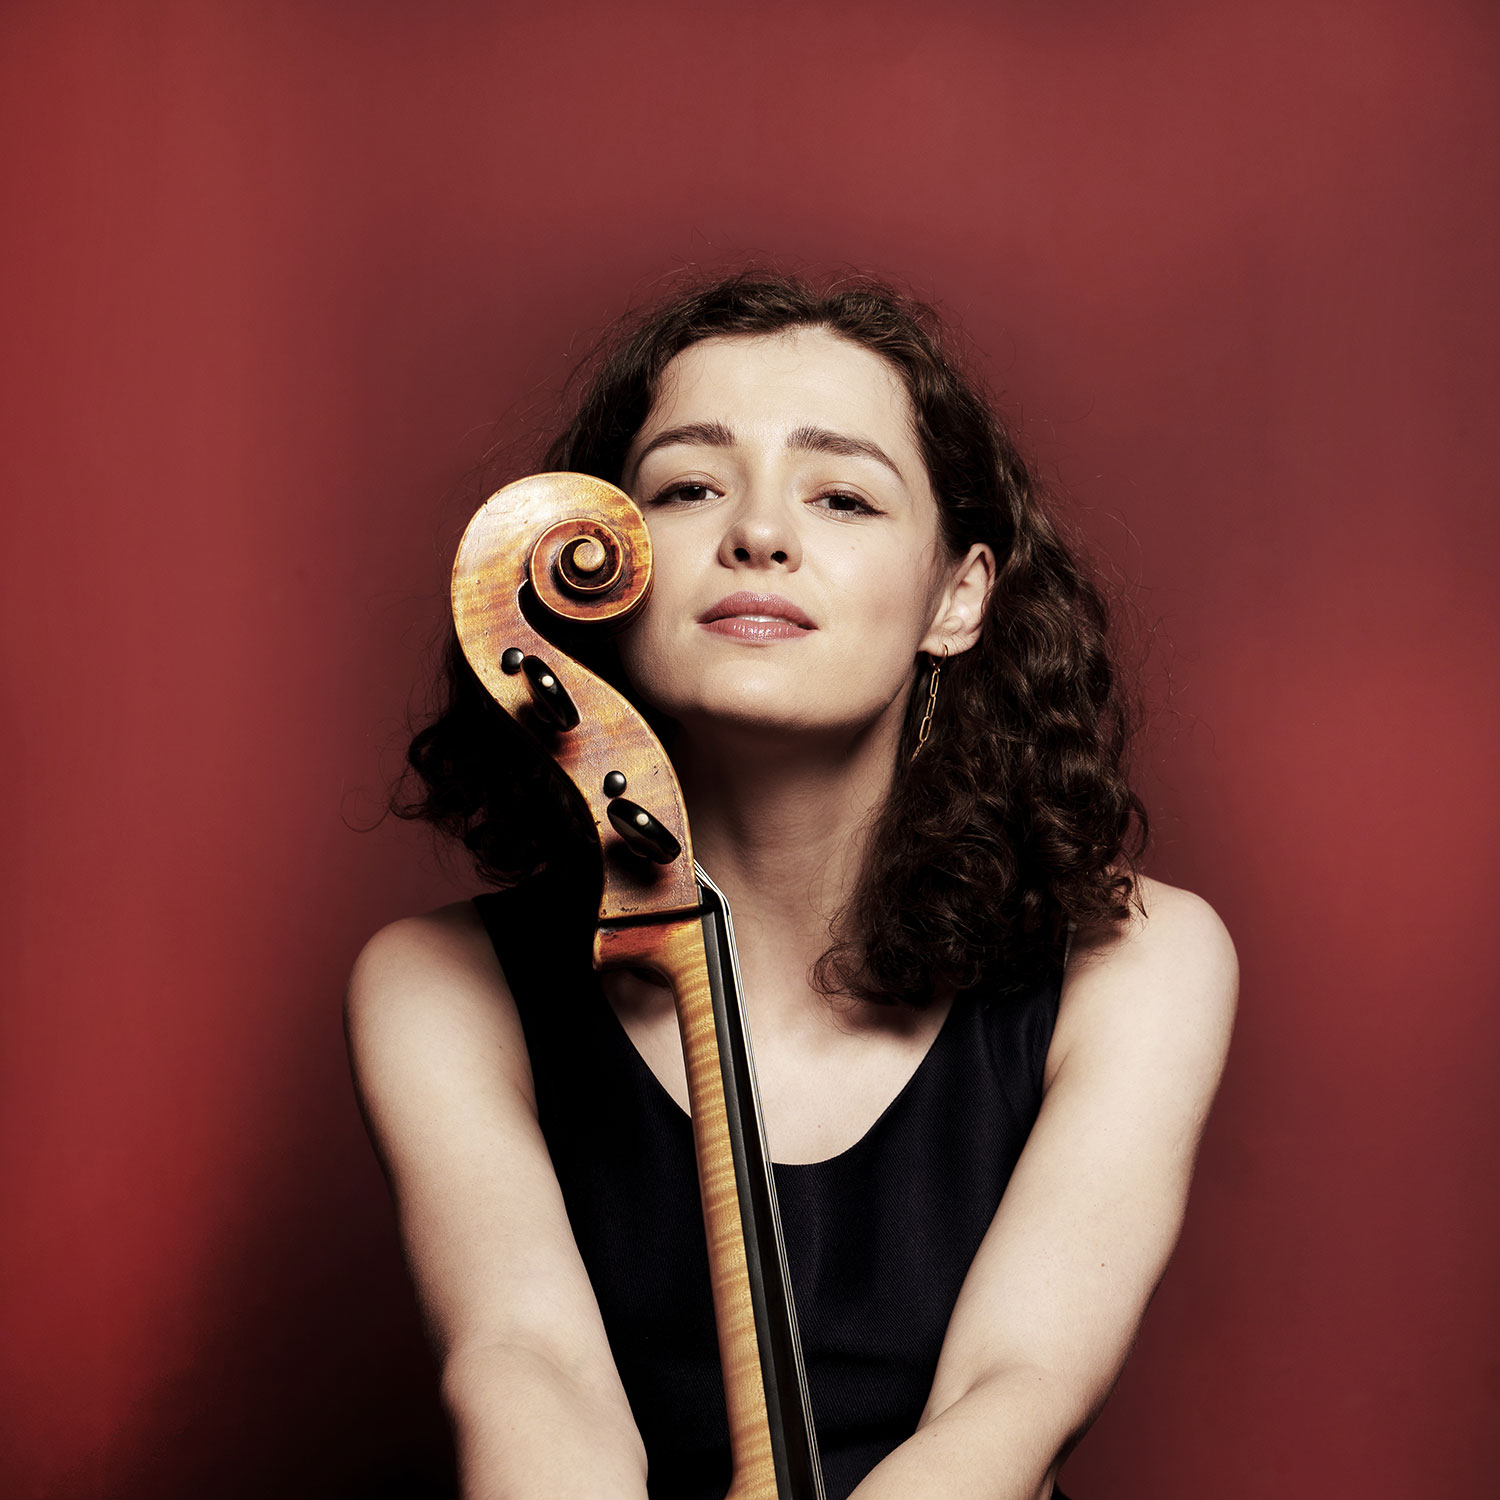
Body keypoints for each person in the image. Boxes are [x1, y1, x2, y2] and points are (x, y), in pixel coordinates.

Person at [344, 271, 1239, 1500]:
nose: (758, 534)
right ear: (593, 572)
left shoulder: (1141, 959)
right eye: (689, 488)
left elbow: (1013, 1391)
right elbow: (528, 1371)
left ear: (957, 598)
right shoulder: (438, 985)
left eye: (842, 495)